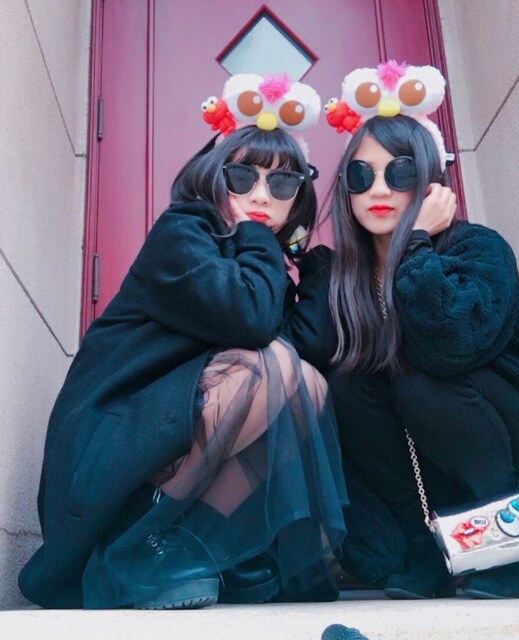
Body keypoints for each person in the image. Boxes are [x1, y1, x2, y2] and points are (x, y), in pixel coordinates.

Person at [18, 73, 347, 609]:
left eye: (282, 184)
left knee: (305, 383)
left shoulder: (259, 264)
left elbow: (304, 349)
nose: (260, 195)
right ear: (215, 176)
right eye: (242, 176)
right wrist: (260, 236)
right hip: (110, 449)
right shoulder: (184, 232)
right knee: (271, 368)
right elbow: (250, 323)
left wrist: (315, 266)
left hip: (164, 436)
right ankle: (131, 545)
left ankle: (192, 542)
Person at [288, 61, 519, 600]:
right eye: (361, 176)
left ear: (430, 181)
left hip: (515, 447)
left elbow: (451, 343)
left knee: (420, 376)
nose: (379, 189)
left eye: (400, 173)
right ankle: (424, 550)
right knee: (345, 384)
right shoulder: (339, 272)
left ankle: (510, 541)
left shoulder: (477, 246)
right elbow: (319, 348)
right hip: (424, 473)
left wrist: (415, 243)